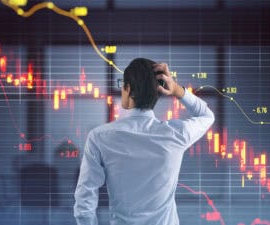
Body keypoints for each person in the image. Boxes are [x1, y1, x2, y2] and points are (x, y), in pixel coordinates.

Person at [74, 58, 215, 225]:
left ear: (127, 88)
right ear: (158, 92)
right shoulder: (177, 134)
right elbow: (207, 115)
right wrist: (177, 90)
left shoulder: (99, 137)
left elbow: (85, 200)